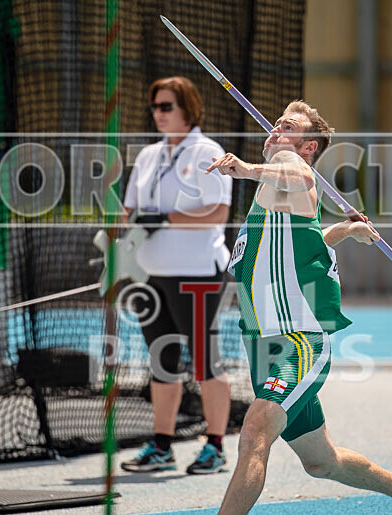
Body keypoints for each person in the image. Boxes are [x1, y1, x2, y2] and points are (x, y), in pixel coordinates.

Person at [206, 100, 392, 514]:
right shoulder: (276, 197)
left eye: (288, 125)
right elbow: (307, 242)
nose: (276, 128)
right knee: (321, 461)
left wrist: (244, 169)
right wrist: (347, 230)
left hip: (297, 343)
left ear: (309, 147)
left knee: (255, 429)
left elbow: (296, 173)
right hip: (262, 347)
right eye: (276, 122)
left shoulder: (289, 166)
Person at [120, 77, 232, 474]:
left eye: (166, 106)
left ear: (189, 109)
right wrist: (119, 244)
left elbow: (218, 212)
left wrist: (166, 217)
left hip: (198, 274)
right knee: (161, 362)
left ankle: (215, 446)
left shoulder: (207, 151)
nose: (158, 113)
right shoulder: (148, 156)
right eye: (155, 107)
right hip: (152, 275)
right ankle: (162, 446)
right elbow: (128, 211)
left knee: (206, 362)